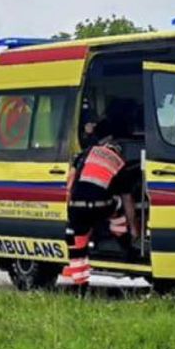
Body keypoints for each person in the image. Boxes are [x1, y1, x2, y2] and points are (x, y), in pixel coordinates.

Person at [62, 111, 140, 288]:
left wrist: (70, 214)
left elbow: (71, 180)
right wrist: (134, 229)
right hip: (100, 207)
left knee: (78, 244)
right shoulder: (120, 163)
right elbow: (128, 201)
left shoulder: (86, 153)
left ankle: (80, 285)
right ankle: (124, 243)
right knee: (119, 206)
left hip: (76, 206)